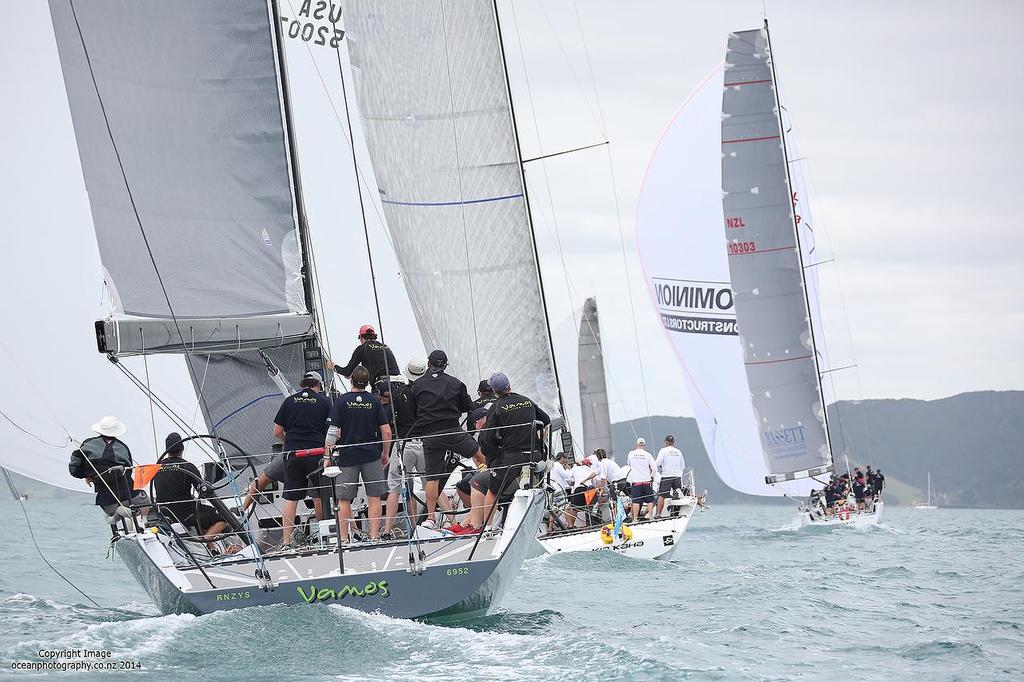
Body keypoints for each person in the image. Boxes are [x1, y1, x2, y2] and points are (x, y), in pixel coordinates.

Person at [460, 372, 550, 534]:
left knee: (485, 487)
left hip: (511, 460)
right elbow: (546, 419)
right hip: (534, 457)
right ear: (509, 385)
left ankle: (487, 529)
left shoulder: (497, 407)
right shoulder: (526, 401)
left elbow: (487, 438)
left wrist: (491, 459)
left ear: (494, 391)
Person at [407, 350, 481, 530]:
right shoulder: (456, 383)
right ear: (445, 365)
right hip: (452, 430)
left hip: (430, 436)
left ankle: (431, 517)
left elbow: (412, 413)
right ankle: (499, 483)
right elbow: (468, 407)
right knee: (481, 455)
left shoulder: (416, 386)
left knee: (432, 478)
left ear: (429, 363)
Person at [325, 366, 392, 542]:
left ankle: (345, 539)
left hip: (348, 455)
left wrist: (327, 456)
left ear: (351, 380)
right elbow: (386, 432)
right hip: (371, 454)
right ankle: (375, 536)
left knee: (344, 498)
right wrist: (385, 454)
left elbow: (333, 432)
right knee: (374, 497)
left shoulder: (341, 401)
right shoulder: (374, 401)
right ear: (367, 383)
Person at [275, 371, 332, 548]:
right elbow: (333, 430)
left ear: (302, 385)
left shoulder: (289, 401)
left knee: (291, 498)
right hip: (316, 453)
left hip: (293, 454)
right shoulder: (324, 402)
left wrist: (289, 443)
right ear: (319, 386)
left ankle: (285, 542)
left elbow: (277, 431)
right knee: (324, 496)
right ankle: (328, 538)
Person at [153, 432, 236, 552]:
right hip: (186, 514)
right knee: (225, 517)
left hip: (165, 514)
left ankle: (211, 549)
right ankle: (203, 543)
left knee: (203, 513)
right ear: (182, 448)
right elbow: (203, 491)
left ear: (167, 450)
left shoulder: (156, 467)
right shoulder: (187, 466)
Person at [69, 416, 150, 522]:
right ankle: (141, 524)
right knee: (146, 502)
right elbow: (128, 472)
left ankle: (122, 515)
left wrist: (87, 475)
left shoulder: (87, 444)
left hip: (108, 504)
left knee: (113, 508)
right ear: (116, 432)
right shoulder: (123, 448)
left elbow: (74, 468)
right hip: (130, 498)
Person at [626, 438, 657, 521]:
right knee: (650, 500)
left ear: (636, 444)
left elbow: (629, 464)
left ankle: (635, 518)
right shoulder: (648, 455)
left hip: (636, 482)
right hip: (647, 481)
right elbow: (654, 468)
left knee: (636, 501)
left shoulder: (631, 453)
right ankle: (650, 517)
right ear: (644, 445)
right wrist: (652, 477)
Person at [654, 435, 686, 517]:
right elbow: (683, 466)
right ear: (673, 442)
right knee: (677, 494)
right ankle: (676, 513)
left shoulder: (663, 450)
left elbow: (657, 463)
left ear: (666, 442)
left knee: (662, 495)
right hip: (677, 477)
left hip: (667, 476)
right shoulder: (678, 452)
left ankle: (658, 514)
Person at [567, 457, 597, 528]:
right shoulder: (591, 470)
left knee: (573, 508)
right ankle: (590, 523)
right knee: (589, 507)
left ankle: (571, 526)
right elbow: (594, 482)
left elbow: (568, 478)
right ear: (587, 464)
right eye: (589, 464)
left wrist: (572, 483)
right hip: (590, 489)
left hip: (580, 488)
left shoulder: (575, 468)